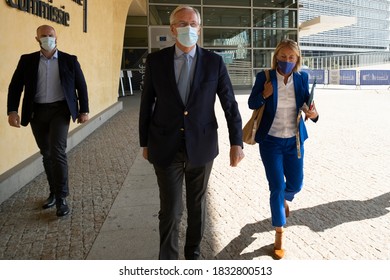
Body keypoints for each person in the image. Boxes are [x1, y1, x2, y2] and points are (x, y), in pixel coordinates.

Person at [139, 5, 244, 260]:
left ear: (200, 28)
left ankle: (193, 252)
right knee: (171, 210)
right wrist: (144, 142)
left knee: (197, 206)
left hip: (202, 145)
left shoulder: (214, 62)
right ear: (173, 29)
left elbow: (229, 103)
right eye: (183, 24)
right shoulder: (156, 61)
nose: (189, 28)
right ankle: (168, 260)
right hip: (165, 145)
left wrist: (236, 142)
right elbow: (146, 104)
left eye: (193, 24)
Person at [7, 25, 89, 217]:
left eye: (50, 35)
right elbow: (15, 86)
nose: (47, 38)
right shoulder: (27, 60)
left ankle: (61, 198)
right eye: (43, 36)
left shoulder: (69, 60)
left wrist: (84, 110)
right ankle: (53, 192)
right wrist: (12, 111)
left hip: (60, 111)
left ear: (56, 37)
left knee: (58, 151)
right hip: (36, 112)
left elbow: (81, 86)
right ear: (37, 39)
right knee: (46, 153)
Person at [248, 39, 319, 259]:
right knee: (276, 186)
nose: (286, 61)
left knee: (296, 184)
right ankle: (279, 232)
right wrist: (264, 95)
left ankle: (285, 200)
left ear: (297, 59)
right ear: (276, 56)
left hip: (294, 141)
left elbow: (307, 105)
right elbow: (252, 103)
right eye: (283, 56)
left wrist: (313, 114)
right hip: (271, 142)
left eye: (291, 57)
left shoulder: (302, 78)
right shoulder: (265, 77)